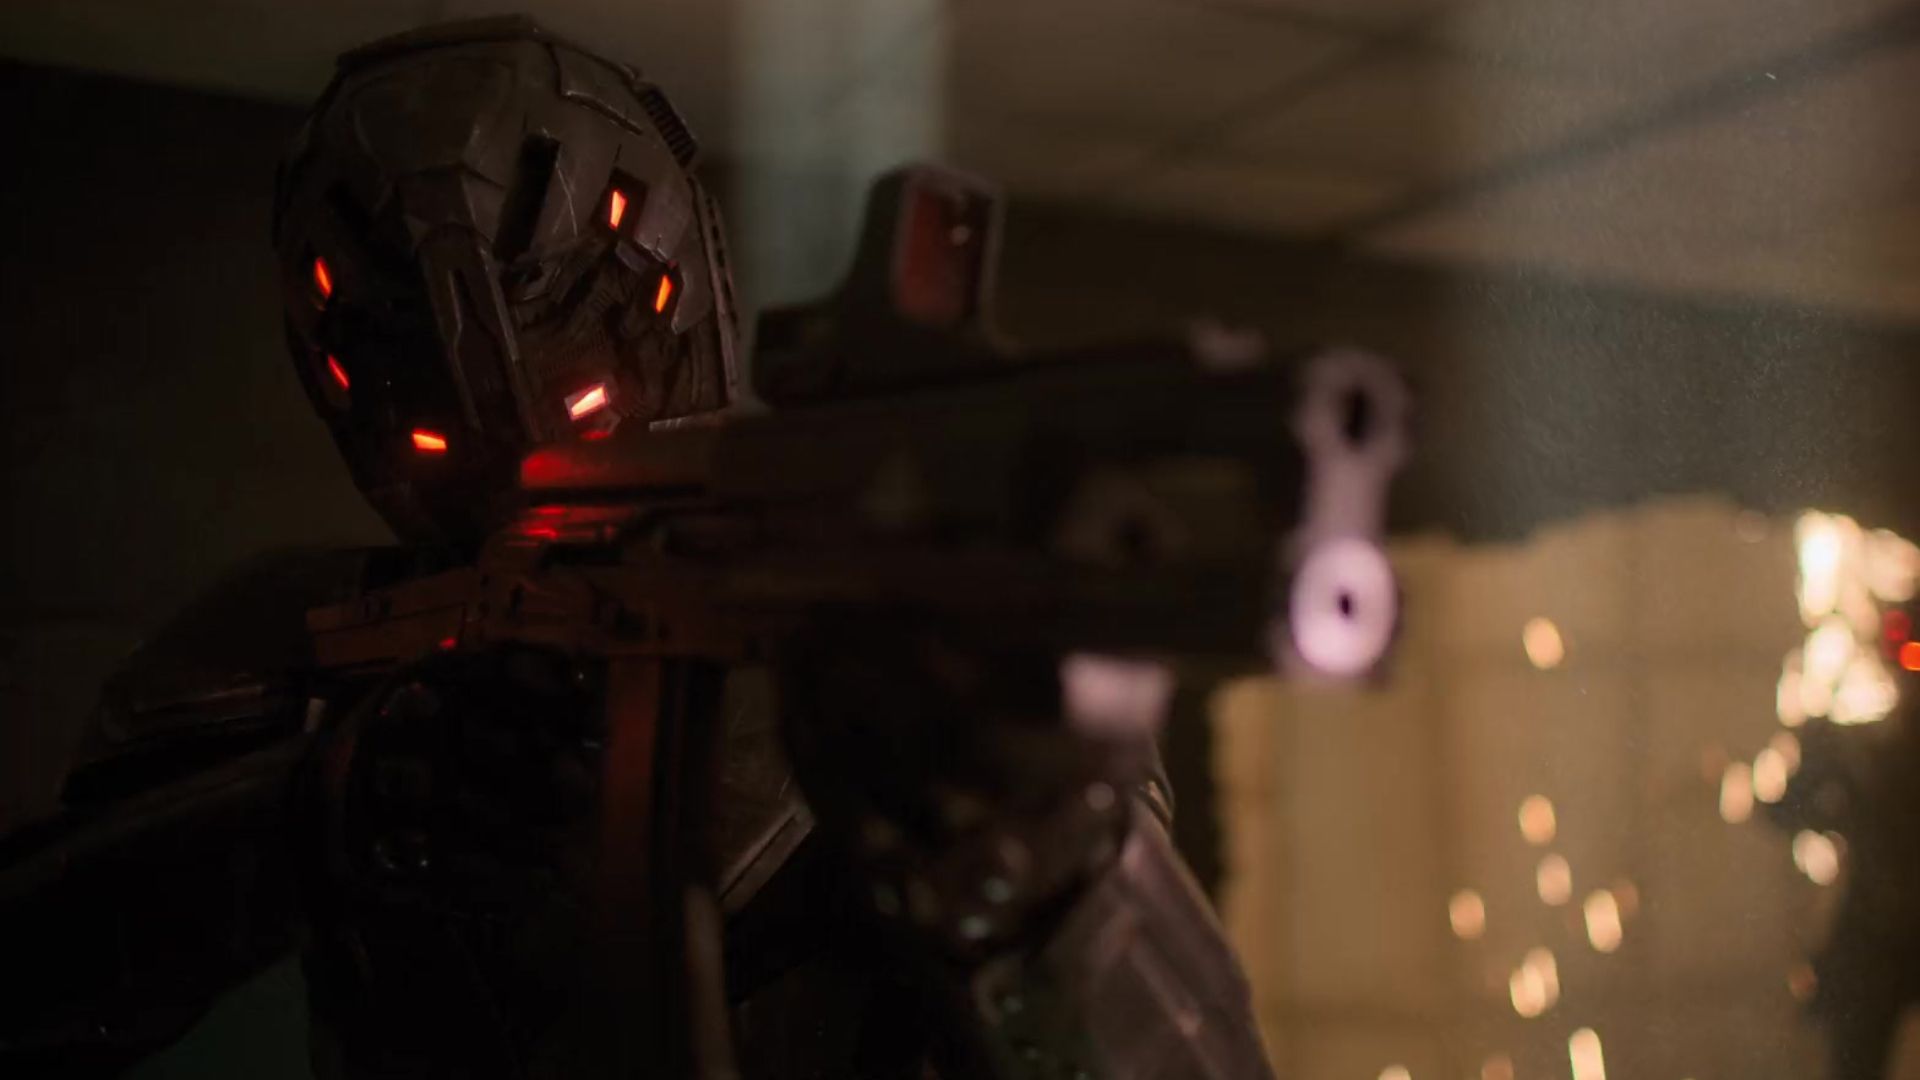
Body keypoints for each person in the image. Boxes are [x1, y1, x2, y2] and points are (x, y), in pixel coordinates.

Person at [1, 16, 1274, 1078]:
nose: (524, 436)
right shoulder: (303, 642)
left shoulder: (865, 617)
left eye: (582, 398)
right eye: (450, 433)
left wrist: (1030, 855)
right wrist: (335, 805)